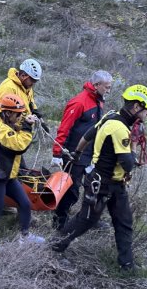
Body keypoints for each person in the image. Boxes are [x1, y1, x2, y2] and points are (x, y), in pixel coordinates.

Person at [52, 84, 147, 271]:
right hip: (101, 185)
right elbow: (128, 164)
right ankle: (54, 246)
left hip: (115, 184)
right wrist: (133, 144)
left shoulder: (110, 115)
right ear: (136, 107)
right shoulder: (119, 128)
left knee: (124, 222)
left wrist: (77, 152)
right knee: (85, 220)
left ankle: (127, 265)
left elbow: (88, 134)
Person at [0, 94, 45, 252]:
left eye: (22, 113)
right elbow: (19, 145)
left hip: (7, 176)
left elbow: (15, 132)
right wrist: (28, 128)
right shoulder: (0, 129)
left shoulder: (5, 123)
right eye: (18, 114)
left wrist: (25, 121)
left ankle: (25, 236)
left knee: (24, 203)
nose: (20, 117)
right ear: (7, 113)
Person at [51, 70, 113, 231]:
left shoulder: (98, 100)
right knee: (71, 192)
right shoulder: (79, 102)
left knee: (94, 187)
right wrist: (57, 153)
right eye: (107, 87)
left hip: (91, 154)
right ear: (97, 85)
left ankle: (89, 220)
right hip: (74, 155)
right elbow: (64, 128)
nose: (109, 90)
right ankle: (60, 224)